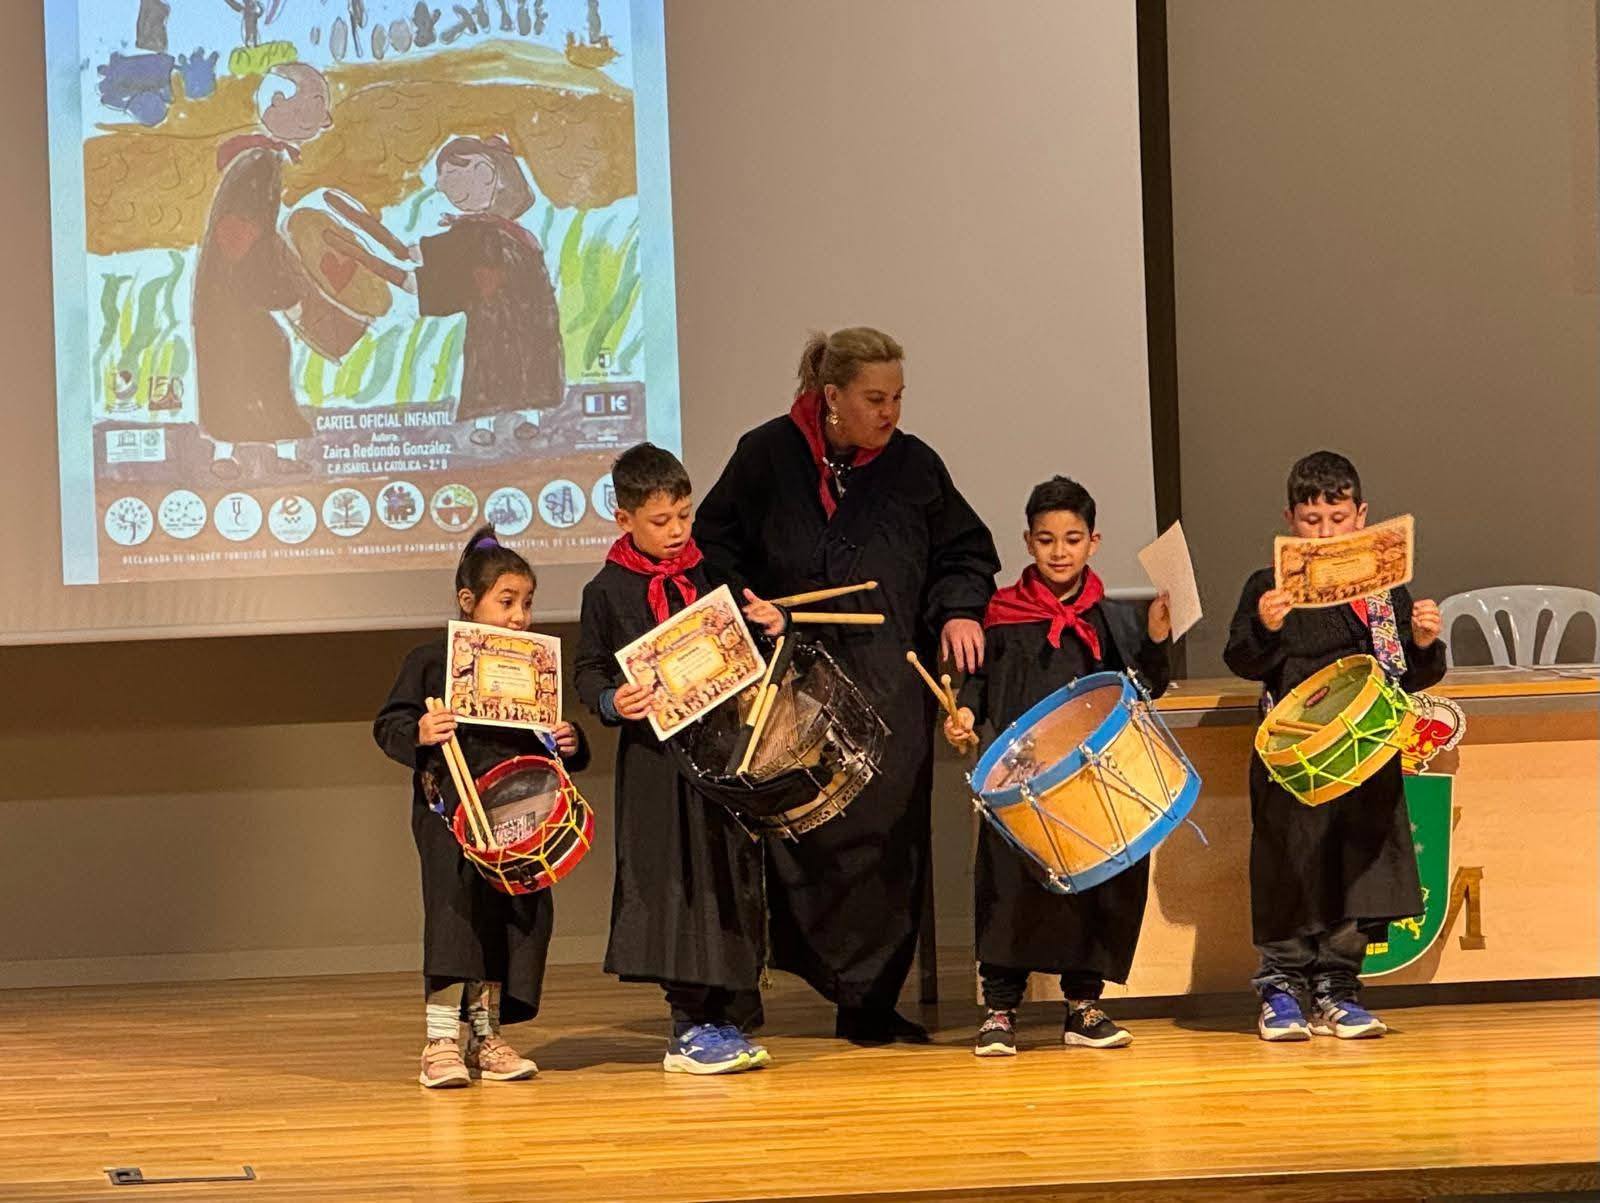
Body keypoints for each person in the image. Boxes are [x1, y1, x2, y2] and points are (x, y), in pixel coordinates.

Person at [695, 327, 1000, 1045]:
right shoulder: (765, 454)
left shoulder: (915, 464)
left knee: (889, 839)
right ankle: (746, 993)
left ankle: (869, 1000)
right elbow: (712, 543)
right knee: (781, 828)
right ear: (831, 397)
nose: (889, 411)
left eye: (897, 397)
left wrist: (959, 605)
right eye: (874, 398)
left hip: (888, 677)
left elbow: (964, 549)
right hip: (790, 676)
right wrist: (749, 605)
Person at [575, 442, 787, 1075]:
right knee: (675, 883)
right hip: (656, 765)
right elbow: (588, 672)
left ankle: (726, 1010)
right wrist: (615, 698)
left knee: (727, 873)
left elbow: (745, 643)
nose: (676, 533)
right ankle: (688, 1022)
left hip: (722, 753)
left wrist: (774, 625)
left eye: (685, 517)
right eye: (661, 521)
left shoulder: (711, 575)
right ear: (625, 520)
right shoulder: (606, 591)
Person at [945, 477, 1172, 1056]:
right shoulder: (999, 614)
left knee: (1095, 886)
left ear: (1094, 541)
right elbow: (978, 683)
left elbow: (1147, 687)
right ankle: (999, 1008)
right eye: (1046, 539)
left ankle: (1084, 1005)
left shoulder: (1113, 618)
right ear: (1027, 541)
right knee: (1010, 888)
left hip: (1089, 782)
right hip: (1019, 778)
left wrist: (1156, 641)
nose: (1059, 551)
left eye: (1072, 538)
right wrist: (965, 716)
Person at [1224, 450, 1445, 1042]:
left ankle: (1339, 988)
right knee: (1290, 866)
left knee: (1359, 869)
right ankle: (1281, 988)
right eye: (1310, 520)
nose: (1324, 533)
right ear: (1289, 519)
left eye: (1337, 518)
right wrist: (1267, 628)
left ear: (1361, 516)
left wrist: (1423, 641)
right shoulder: (1267, 585)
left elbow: (1407, 674)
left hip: (1365, 754)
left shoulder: (1384, 589)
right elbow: (1241, 660)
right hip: (1294, 752)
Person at [373, 525, 590, 1088]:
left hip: (518, 812)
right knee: (456, 913)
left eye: (528, 603)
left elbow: (545, 742)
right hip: (451, 810)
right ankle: (441, 1039)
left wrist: (570, 740)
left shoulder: (531, 668)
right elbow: (389, 724)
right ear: (469, 603)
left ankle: (486, 1036)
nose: (520, 616)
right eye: (507, 601)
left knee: (513, 917)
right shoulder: (429, 660)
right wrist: (420, 730)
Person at [194, 63, 331, 479]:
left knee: (252, 354)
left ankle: (236, 451)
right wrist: (283, 295)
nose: (325, 117)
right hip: (234, 293)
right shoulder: (260, 165)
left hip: (226, 292)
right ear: (277, 104)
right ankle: (244, 451)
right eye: (315, 103)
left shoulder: (257, 159)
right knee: (265, 352)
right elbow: (245, 238)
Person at [399, 135, 565, 446]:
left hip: (523, 314)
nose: (440, 185)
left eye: (450, 173)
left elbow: (455, 255)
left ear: (485, 174)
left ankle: (527, 416)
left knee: (522, 359)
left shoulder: (489, 230)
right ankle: (488, 420)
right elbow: (462, 264)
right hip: (493, 315)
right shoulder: (487, 229)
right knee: (488, 361)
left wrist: (420, 258)